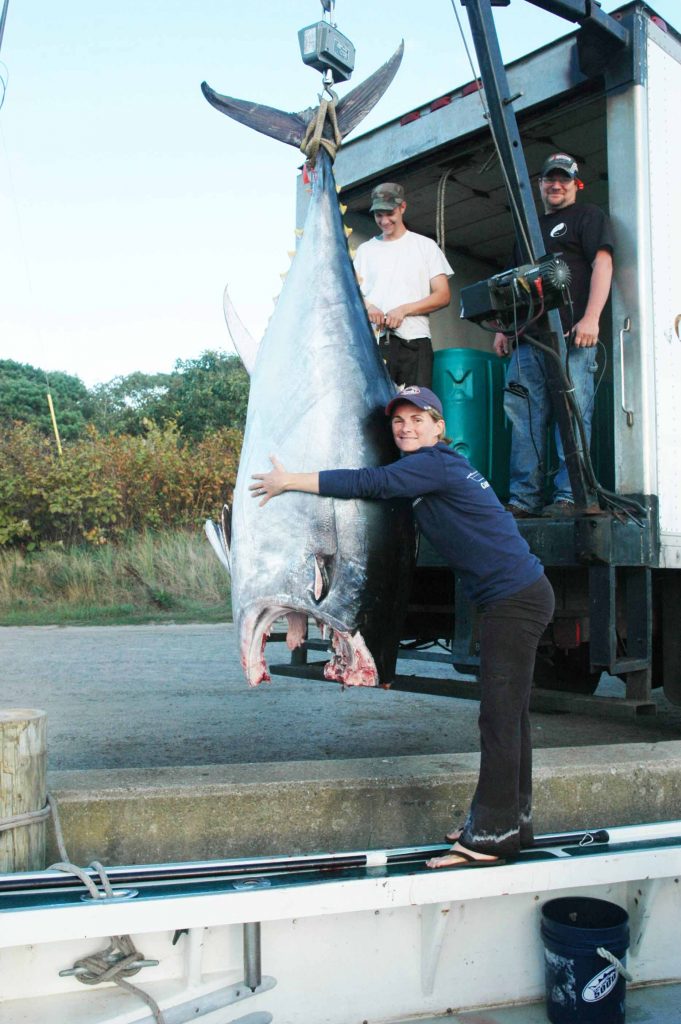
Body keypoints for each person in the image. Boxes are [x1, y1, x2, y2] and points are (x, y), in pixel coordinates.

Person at [250, 384, 555, 868]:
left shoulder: (432, 465)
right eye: (399, 420)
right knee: (511, 717)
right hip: (520, 595)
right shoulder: (435, 466)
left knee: (499, 719)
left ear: (440, 428)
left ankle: (489, 840)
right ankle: (511, 822)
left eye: (419, 419)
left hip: (513, 602)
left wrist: (291, 481)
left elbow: (368, 483)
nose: (407, 427)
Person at [494, 153, 615, 517]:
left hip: (573, 338)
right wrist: (505, 329)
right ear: (541, 184)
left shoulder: (588, 216)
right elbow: (515, 284)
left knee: (574, 413)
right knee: (523, 417)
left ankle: (569, 496)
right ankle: (523, 499)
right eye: (550, 179)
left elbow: (603, 263)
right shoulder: (528, 230)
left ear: (576, 183)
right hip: (529, 340)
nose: (556, 185)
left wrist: (591, 318)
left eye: (563, 179)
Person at [354, 183, 454, 388]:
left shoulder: (425, 246)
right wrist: (369, 307)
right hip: (374, 345)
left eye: (389, 213)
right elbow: (351, 295)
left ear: (403, 207)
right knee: (376, 414)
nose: (384, 221)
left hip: (415, 342)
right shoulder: (364, 251)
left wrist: (403, 310)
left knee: (416, 409)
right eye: (378, 215)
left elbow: (443, 295)